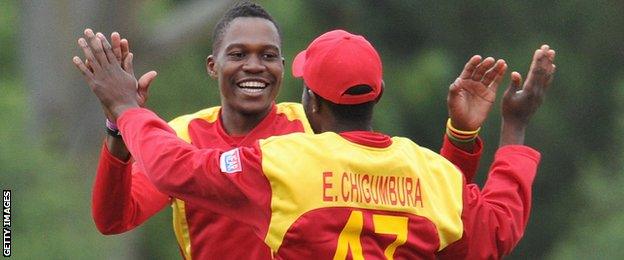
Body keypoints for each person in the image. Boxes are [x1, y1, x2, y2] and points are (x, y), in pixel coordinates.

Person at [76, 27, 555, 258]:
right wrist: (513, 127)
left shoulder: (284, 160)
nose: (253, 67)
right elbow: (491, 230)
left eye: (269, 56)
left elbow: (171, 167)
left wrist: (127, 109)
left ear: (308, 99)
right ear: (378, 94)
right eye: (238, 54)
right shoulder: (428, 169)